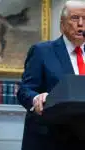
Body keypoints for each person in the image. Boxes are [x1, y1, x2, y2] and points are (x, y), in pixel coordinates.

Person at [17, 1, 85, 150]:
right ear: (62, 24)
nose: (81, 24)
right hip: (51, 139)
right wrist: (36, 98)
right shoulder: (42, 51)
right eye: (75, 18)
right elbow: (25, 90)